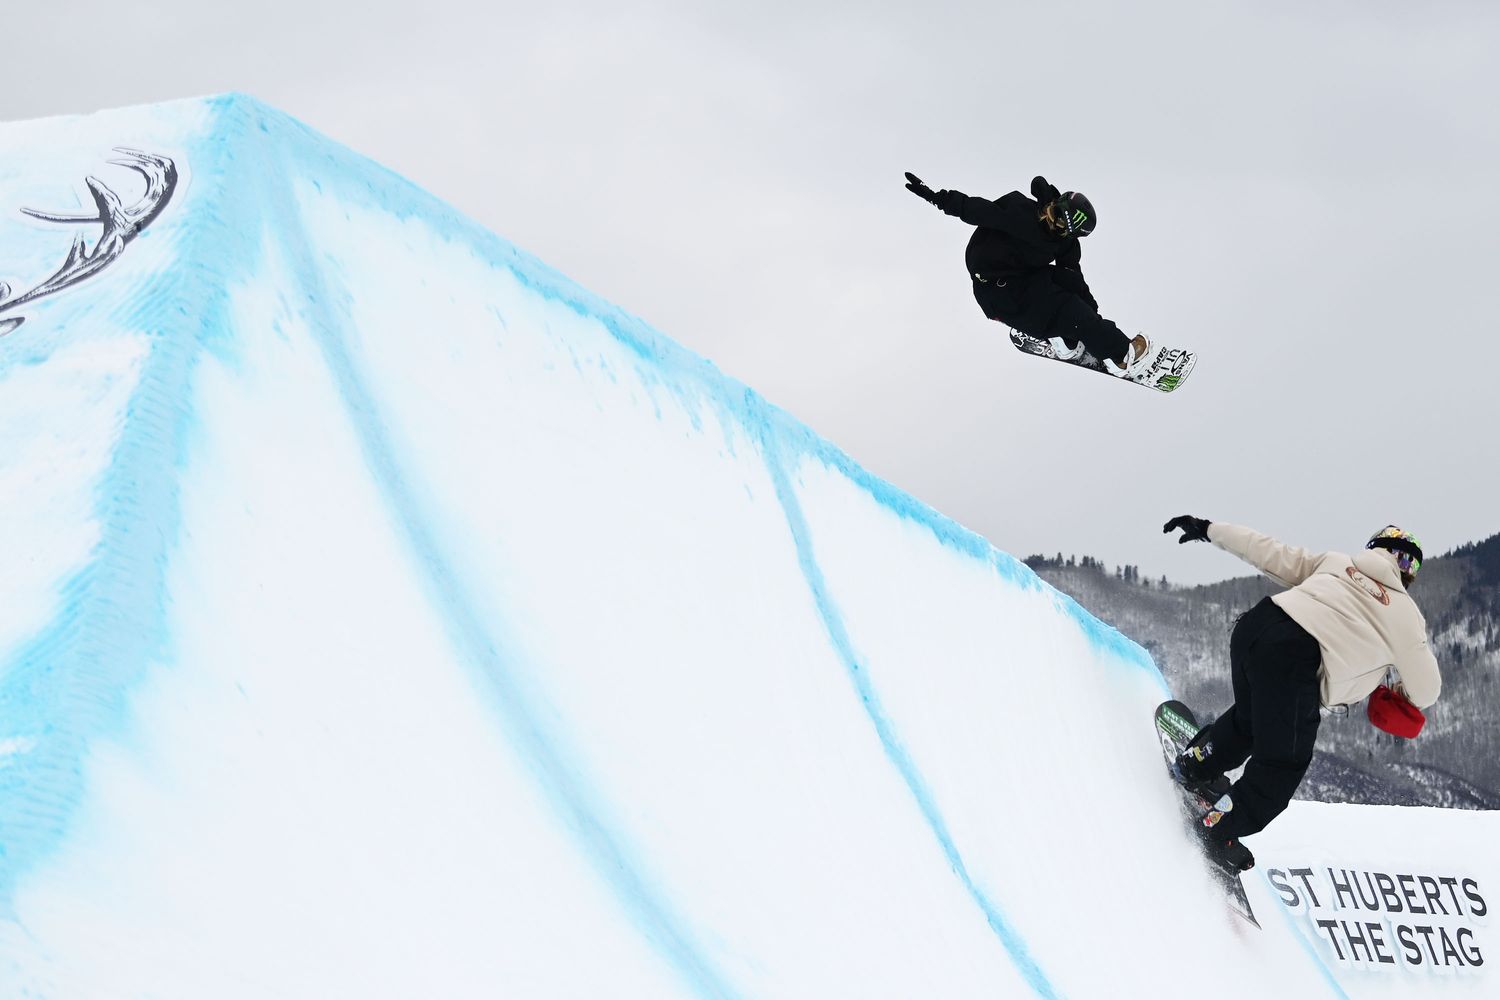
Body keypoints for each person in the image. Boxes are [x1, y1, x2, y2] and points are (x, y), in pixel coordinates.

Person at [1161, 517, 1442, 861]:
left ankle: (1196, 764)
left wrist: (1208, 528)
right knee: (1281, 766)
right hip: (1294, 661)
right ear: (1409, 573)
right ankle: (1216, 829)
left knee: (1252, 720)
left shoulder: (1336, 563)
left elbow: (1268, 551)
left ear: (1373, 549)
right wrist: (1397, 686)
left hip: (1256, 627)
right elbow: (1427, 691)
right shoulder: (1405, 615)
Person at [904, 171, 1150, 376]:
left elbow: (1073, 277)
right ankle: (1120, 357)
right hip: (996, 291)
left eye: (1061, 226)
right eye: (1054, 214)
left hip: (1025, 277)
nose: (1052, 222)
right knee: (1067, 309)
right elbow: (974, 208)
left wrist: (1093, 316)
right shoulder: (1019, 213)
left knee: (1069, 286)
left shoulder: (1064, 243)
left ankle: (1067, 340)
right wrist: (935, 197)